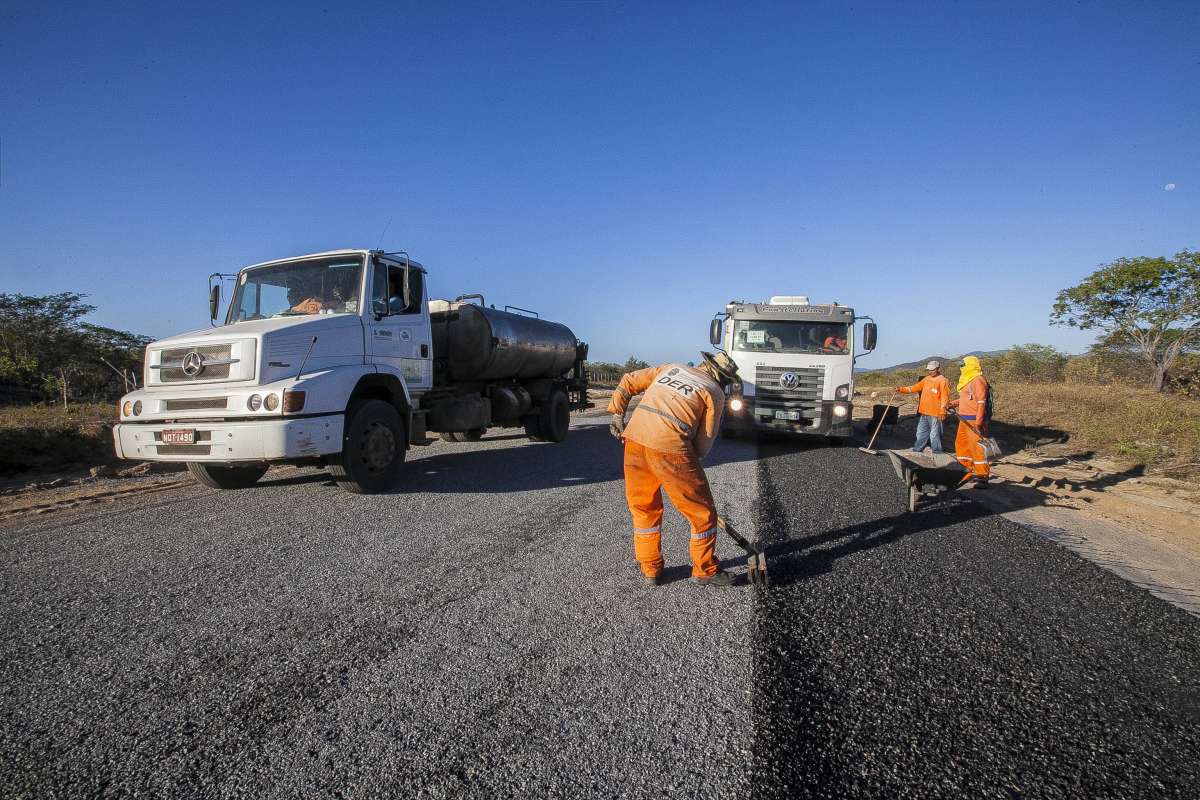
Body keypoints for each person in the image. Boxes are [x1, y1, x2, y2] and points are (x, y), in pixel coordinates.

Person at [608, 351, 740, 587]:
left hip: (635, 440)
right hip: (670, 448)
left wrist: (618, 415)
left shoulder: (671, 368)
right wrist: (686, 467)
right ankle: (705, 569)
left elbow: (628, 380)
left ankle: (651, 570)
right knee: (702, 513)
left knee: (644, 508)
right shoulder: (714, 391)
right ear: (722, 378)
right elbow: (703, 445)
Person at [949, 355, 991, 486]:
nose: (961, 368)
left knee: (977, 448)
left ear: (970, 366)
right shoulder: (967, 380)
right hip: (964, 419)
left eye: (963, 365)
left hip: (973, 420)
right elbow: (966, 399)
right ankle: (966, 472)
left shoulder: (978, 380)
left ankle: (982, 476)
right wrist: (952, 404)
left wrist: (979, 422)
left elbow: (981, 402)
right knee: (962, 446)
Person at [896, 360, 951, 454]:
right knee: (921, 433)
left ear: (938, 369)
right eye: (928, 370)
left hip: (935, 414)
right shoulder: (926, 379)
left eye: (932, 370)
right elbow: (914, 388)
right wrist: (901, 389)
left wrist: (942, 411)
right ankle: (917, 450)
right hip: (924, 412)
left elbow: (945, 398)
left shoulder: (943, 381)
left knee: (935, 435)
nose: (930, 372)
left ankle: (937, 453)